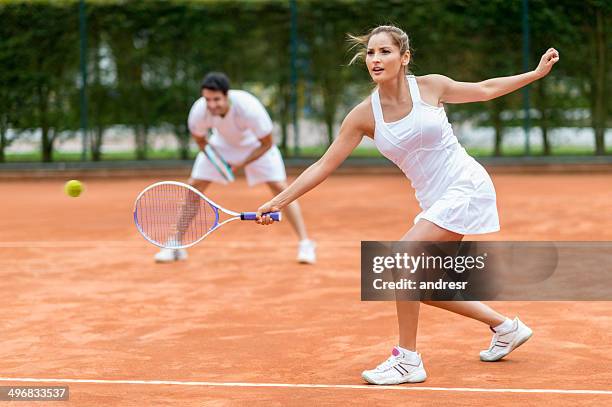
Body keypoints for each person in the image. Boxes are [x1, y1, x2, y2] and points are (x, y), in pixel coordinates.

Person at [255, 25, 559, 384]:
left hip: (466, 185)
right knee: (422, 285)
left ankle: (407, 359)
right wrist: (277, 200)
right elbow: (324, 165)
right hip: (434, 199)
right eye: (370, 53)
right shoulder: (363, 115)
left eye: (384, 52)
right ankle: (505, 327)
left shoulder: (430, 86)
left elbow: (486, 89)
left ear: (404, 57)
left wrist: (537, 73)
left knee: (402, 258)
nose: (375, 59)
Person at [154, 72, 316, 264]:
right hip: (221, 146)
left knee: (281, 189)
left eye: (217, 99)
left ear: (226, 95)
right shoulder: (199, 110)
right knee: (193, 188)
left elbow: (266, 143)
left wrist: (240, 164)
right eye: (208, 100)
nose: (212, 105)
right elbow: (200, 141)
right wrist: (218, 163)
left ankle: (305, 243)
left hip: (256, 147)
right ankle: (175, 245)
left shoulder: (248, 108)